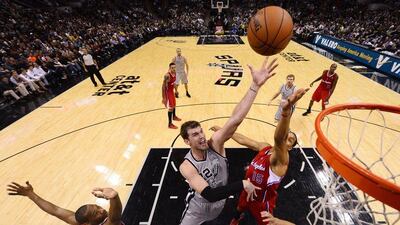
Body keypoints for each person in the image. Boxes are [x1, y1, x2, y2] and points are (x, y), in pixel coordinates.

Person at [179, 56, 278, 225]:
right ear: (187, 141)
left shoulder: (215, 144)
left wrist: (255, 86)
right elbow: (210, 194)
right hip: (198, 208)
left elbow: (235, 120)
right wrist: (242, 183)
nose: (202, 136)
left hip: (220, 204)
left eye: (201, 131)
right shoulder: (187, 166)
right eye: (195, 135)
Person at [211, 87, 308, 225]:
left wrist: (286, 112)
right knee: (239, 207)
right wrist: (224, 131)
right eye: (287, 135)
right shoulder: (265, 147)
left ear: (290, 147)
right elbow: (245, 140)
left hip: (262, 203)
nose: (286, 138)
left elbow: (279, 139)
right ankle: (236, 219)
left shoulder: (281, 160)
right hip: (247, 190)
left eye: (290, 139)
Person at [6, 181, 123, 225]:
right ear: (87, 223)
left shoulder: (78, 222)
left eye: (97, 207)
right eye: (96, 213)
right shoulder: (109, 223)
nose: (102, 210)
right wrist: (114, 198)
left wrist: (31, 195)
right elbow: (115, 217)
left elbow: (55, 210)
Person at [162, 62, 181, 129]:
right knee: (170, 108)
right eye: (172, 68)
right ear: (169, 68)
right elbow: (163, 87)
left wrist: (176, 91)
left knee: (174, 104)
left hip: (172, 91)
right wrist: (164, 97)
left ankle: (174, 116)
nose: (173, 69)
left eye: (174, 67)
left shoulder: (175, 73)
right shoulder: (167, 75)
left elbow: (174, 83)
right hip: (168, 92)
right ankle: (170, 124)